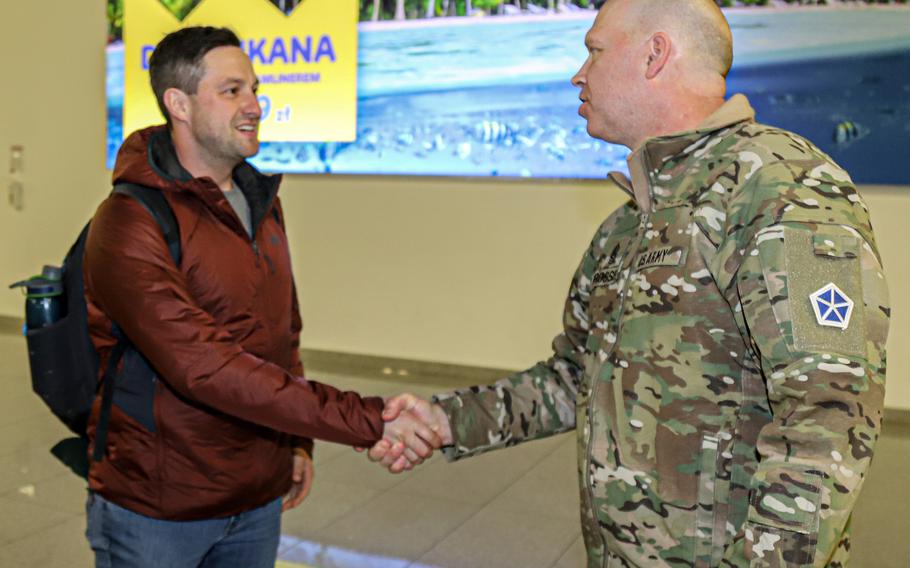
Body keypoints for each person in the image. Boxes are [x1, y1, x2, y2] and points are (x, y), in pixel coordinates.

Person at [370, 1, 891, 566]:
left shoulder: (782, 189)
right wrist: (447, 421)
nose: (579, 72)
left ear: (655, 53)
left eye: (594, 50)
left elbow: (827, 414)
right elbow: (575, 375)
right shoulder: (629, 223)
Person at [82, 26, 437, 568]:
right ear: (178, 103)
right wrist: (368, 420)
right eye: (232, 91)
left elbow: (280, 335)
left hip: (257, 498)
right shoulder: (129, 220)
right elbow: (205, 366)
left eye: (254, 88)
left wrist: (297, 443)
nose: (254, 105)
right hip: (160, 505)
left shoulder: (259, 200)